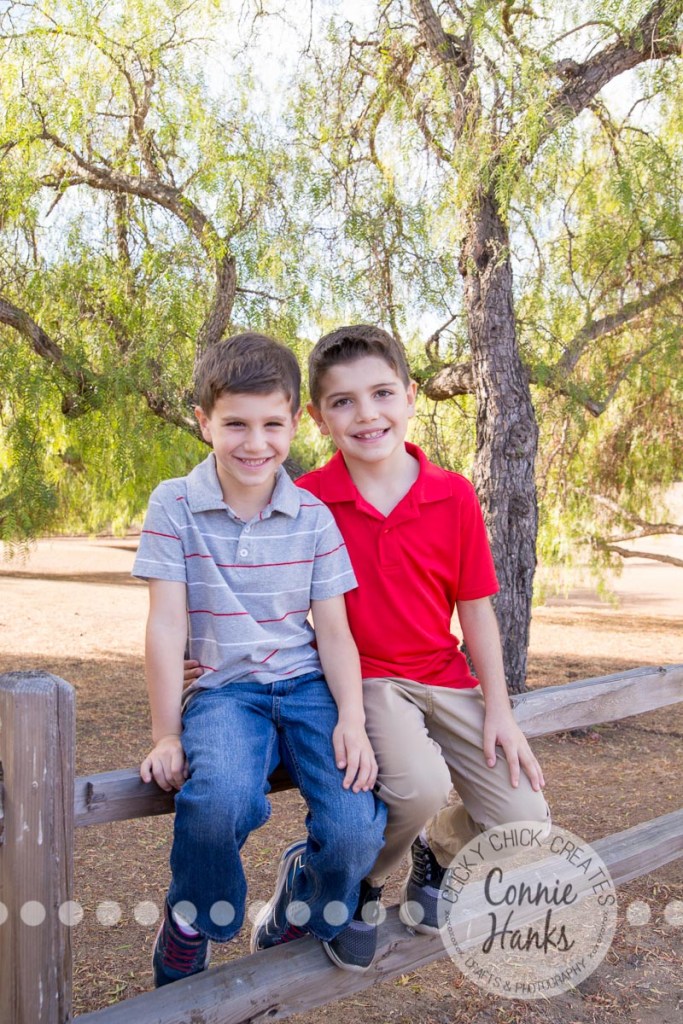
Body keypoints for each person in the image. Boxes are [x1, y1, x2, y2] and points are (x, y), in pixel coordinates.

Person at [185, 324, 549, 971]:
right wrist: (206, 653)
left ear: (409, 396)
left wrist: (499, 709)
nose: (366, 413)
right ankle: (353, 883)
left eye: (381, 393)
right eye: (342, 402)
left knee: (525, 820)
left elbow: (476, 610)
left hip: (445, 676)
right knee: (416, 787)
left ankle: (435, 851)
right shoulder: (307, 501)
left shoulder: (453, 494)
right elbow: (249, 588)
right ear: (319, 420)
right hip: (364, 682)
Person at [133, 332, 386, 987]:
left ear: (295, 421)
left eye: (272, 424)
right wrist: (165, 732)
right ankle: (193, 919)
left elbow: (333, 631)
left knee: (356, 826)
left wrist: (351, 718)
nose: (255, 443)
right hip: (223, 691)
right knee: (217, 803)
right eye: (235, 424)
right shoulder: (173, 504)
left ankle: (300, 898)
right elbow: (165, 624)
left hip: (305, 686)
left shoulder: (312, 516)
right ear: (203, 421)